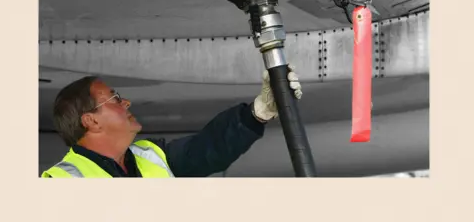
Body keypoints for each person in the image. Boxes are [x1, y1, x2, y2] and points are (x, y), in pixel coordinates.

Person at [41, 65, 302, 178]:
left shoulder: (150, 156)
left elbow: (208, 150)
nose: (126, 103)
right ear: (91, 121)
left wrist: (259, 111)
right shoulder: (63, 182)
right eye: (115, 99)